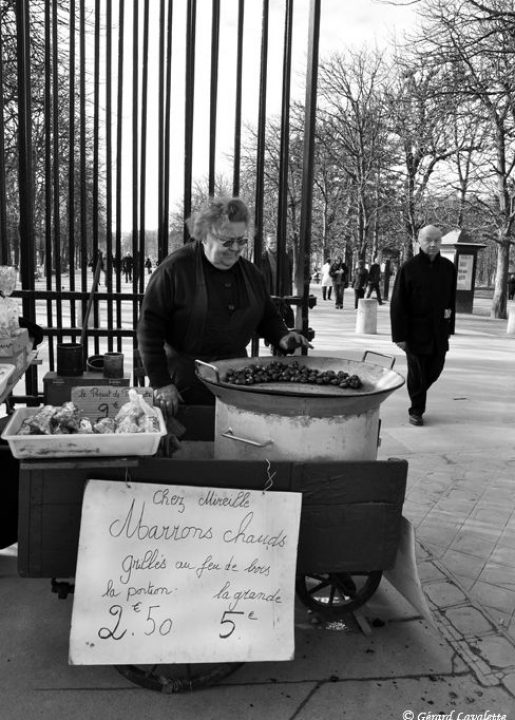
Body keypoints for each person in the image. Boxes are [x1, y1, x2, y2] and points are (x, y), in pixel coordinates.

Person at [137, 197, 312, 415]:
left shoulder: (251, 273)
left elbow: (267, 315)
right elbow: (149, 330)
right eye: (227, 242)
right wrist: (161, 383)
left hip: (237, 382)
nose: (236, 249)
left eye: (242, 241)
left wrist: (282, 337)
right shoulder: (173, 270)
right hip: (186, 386)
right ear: (204, 236)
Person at [390, 225, 457, 427]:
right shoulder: (408, 268)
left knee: (436, 368)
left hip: (438, 330)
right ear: (420, 241)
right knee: (418, 371)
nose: (433, 244)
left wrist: (449, 327)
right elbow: (397, 304)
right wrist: (399, 336)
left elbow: (451, 301)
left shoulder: (448, 267)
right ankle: (416, 410)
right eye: (429, 239)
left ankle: (417, 392)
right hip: (414, 332)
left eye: (437, 240)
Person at [261, 233, 294, 328]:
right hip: (267, 291)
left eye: (275, 243)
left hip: (282, 292)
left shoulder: (285, 257)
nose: (273, 245)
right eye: (271, 243)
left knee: (280, 316)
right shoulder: (261, 258)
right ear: (266, 244)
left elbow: (289, 275)